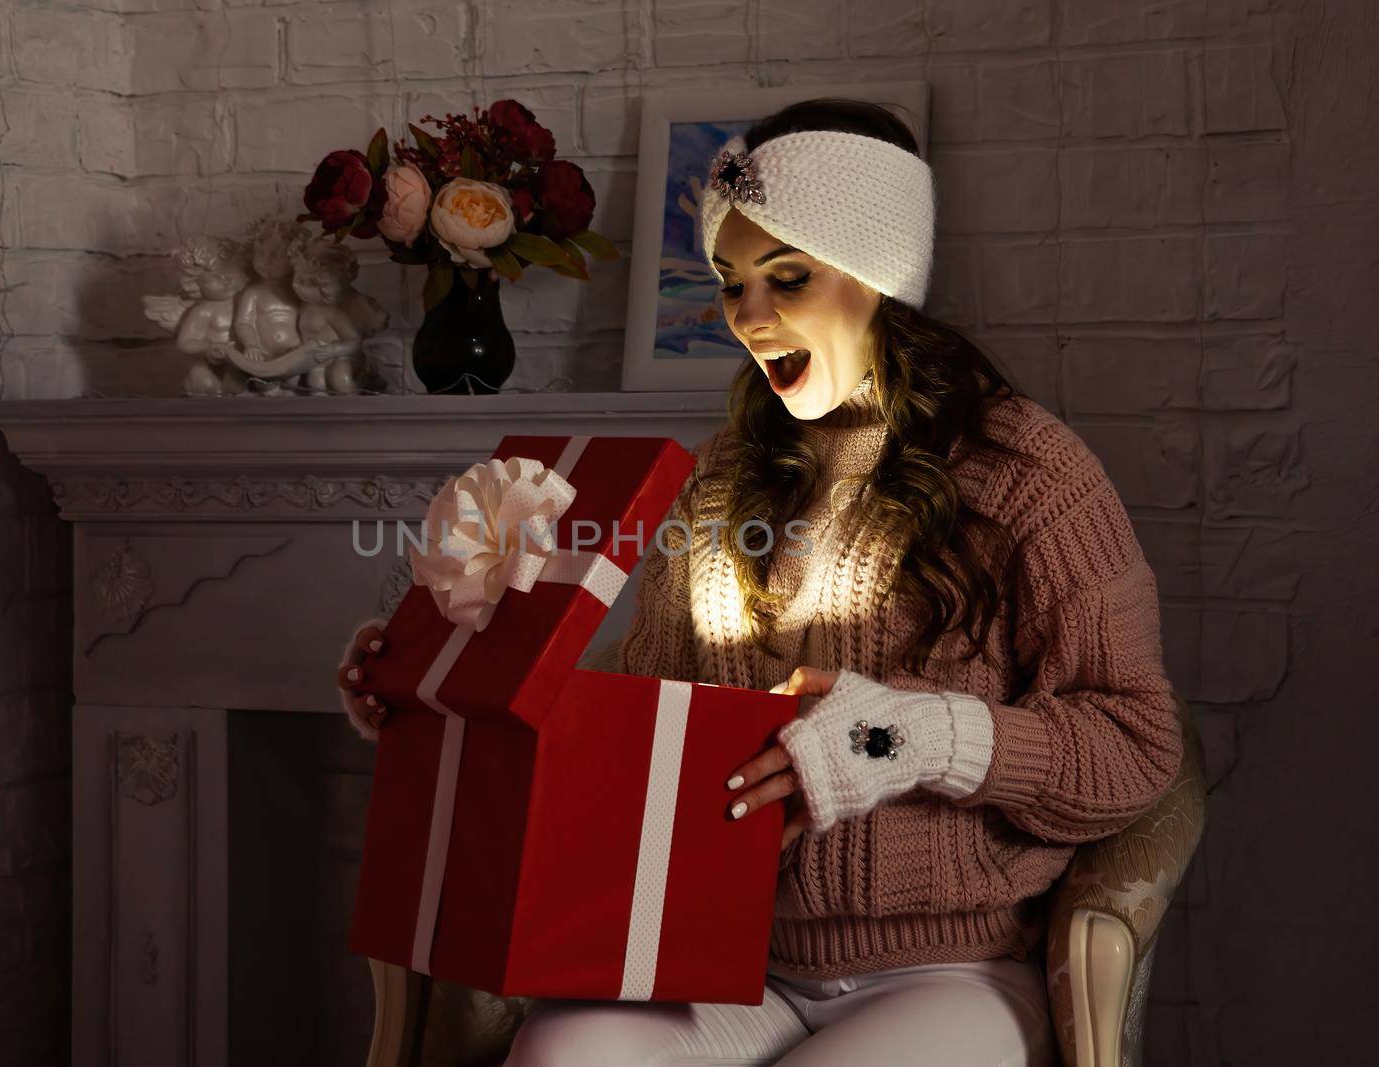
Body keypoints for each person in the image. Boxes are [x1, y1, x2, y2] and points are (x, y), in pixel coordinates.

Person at [334, 98, 1185, 1066]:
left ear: (882, 276)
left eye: (786, 277)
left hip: (950, 969)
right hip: (730, 959)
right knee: (562, 1055)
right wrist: (439, 684)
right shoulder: (725, 473)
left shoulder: (1029, 471)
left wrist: (905, 733)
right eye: (730, 282)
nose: (747, 317)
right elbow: (648, 708)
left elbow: (1134, 746)